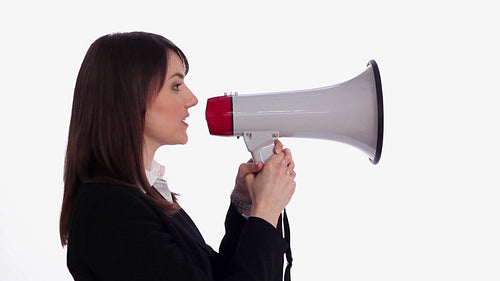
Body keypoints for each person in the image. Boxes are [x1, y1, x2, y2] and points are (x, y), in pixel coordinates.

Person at [59, 31, 296, 281]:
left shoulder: (140, 196)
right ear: (130, 97)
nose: (192, 99)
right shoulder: (110, 212)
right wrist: (267, 211)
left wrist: (246, 206)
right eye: (176, 86)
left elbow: (215, 275)